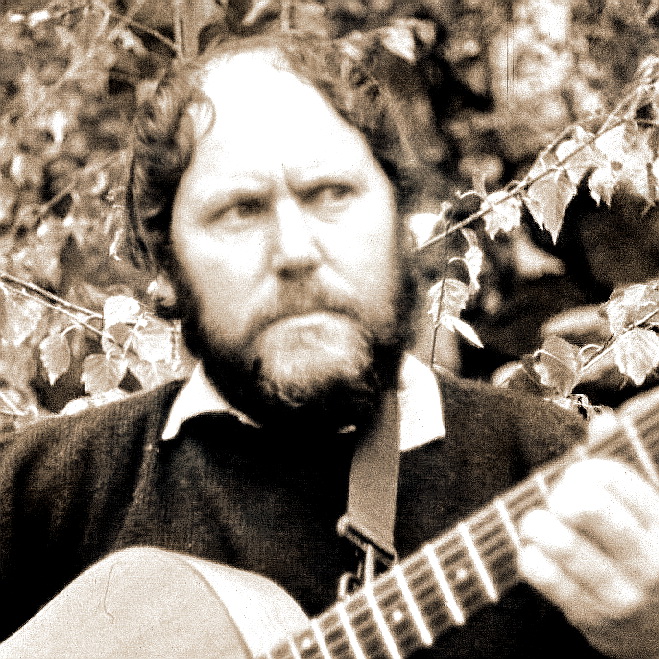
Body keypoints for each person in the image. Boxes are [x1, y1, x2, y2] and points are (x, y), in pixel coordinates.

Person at [1, 31, 659, 658]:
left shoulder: (560, 476)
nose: (295, 251)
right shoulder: (50, 491)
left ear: (399, 223)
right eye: (241, 209)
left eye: (331, 194)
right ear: (167, 267)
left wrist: (645, 637)